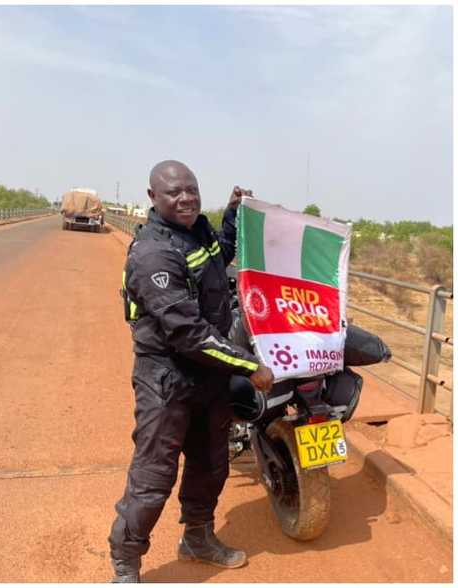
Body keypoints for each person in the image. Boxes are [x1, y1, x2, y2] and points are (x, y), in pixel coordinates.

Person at [108, 160, 274, 583]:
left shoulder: (196, 231)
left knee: (210, 464)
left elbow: (221, 252)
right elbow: (187, 333)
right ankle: (126, 565)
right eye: (174, 192)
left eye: (191, 190)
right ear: (153, 198)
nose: (185, 198)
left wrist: (233, 214)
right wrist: (250, 365)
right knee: (153, 477)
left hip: (209, 378)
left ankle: (198, 538)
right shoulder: (152, 253)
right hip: (167, 379)